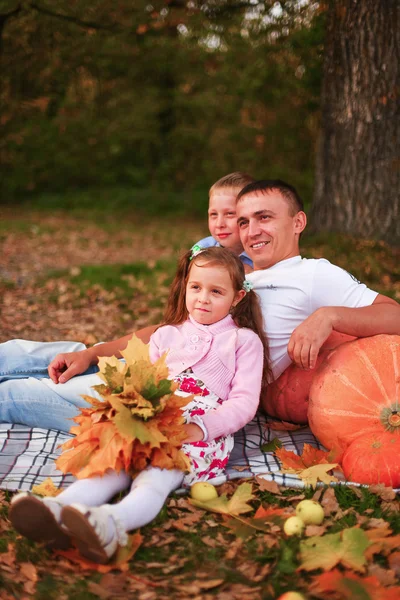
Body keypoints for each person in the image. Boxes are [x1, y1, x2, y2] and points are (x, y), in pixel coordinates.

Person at [9, 247, 269, 563]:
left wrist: (198, 429)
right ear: (185, 285)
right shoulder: (166, 335)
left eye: (216, 292)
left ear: (237, 297)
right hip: (150, 418)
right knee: (111, 467)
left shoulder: (243, 342)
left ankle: (111, 523)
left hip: (192, 434)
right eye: (196, 288)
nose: (203, 298)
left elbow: (243, 403)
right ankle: (60, 510)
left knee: (154, 480)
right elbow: (145, 380)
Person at [0, 172, 255, 431]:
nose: (220, 223)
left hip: (165, 388)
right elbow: (169, 329)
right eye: (214, 215)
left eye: (231, 215)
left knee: (22, 391)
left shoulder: (249, 284)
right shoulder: (203, 255)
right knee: (26, 353)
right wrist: (92, 354)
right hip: (154, 358)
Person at [235, 179, 400, 381]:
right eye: (244, 222)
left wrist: (329, 316)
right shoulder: (234, 274)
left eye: (264, 218)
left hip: (216, 395)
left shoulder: (312, 273)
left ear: (298, 223)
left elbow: (394, 316)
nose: (251, 232)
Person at [195, 172, 254, 271]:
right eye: (214, 214)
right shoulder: (202, 249)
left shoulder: (260, 253)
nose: (219, 224)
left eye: (229, 214)